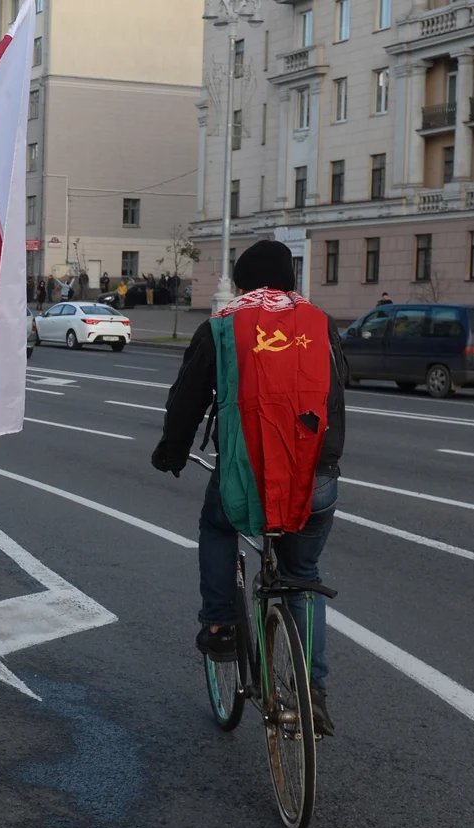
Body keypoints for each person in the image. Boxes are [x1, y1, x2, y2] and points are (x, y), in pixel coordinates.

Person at [150, 240, 345, 736]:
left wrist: (173, 449)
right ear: (290, 281)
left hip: (246, 478)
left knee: (217, 526)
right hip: (314, 479)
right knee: (303, 574)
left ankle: (219, 626)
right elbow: (336, 394)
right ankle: (313, 695)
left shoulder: (221, 325)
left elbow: (189, 395)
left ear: (240, 282)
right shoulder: (320, 325)